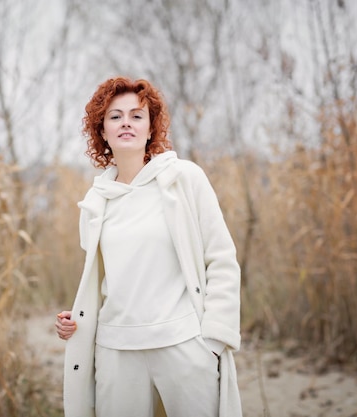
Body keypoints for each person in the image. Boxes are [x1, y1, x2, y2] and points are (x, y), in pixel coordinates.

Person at [55, 76, 242, 417]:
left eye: (136, 115)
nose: (126, 122)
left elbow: (221, 259)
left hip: (183, 345)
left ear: (151, 128)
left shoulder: (183, 179)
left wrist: (213, 343)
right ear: (103, 131)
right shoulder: (96, 202)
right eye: (115, 116)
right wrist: (75, 320)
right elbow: (103, 284)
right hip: (115, 351)